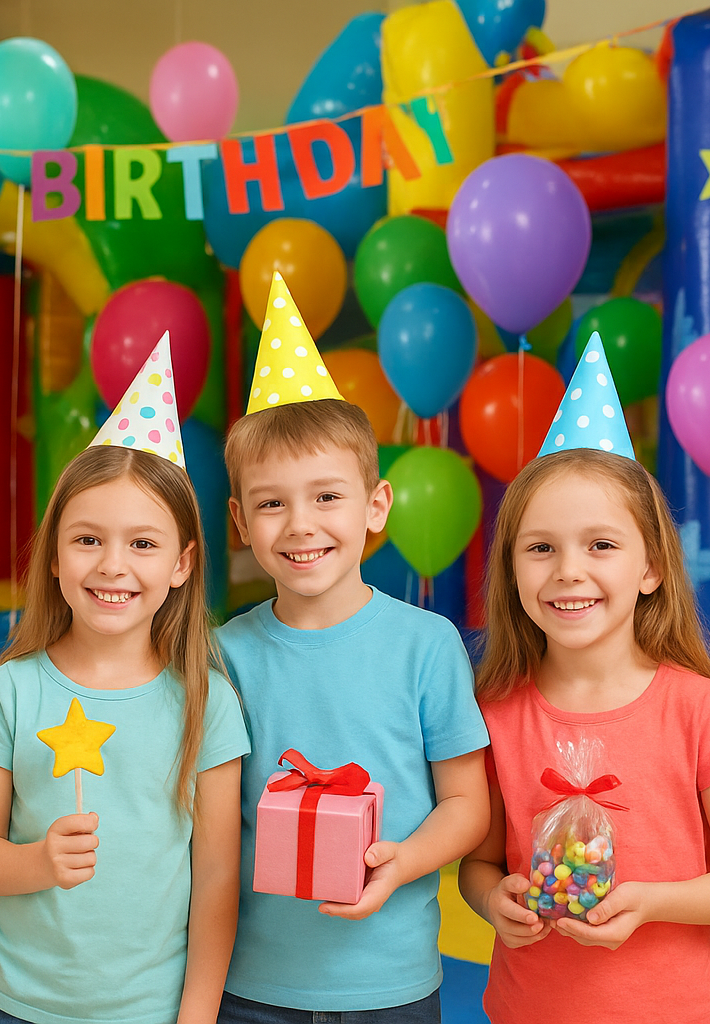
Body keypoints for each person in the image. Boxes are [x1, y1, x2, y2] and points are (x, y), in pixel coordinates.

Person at [459, 337, 710, 1024]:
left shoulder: (699, 709)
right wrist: (494, 901)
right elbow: (479, 866)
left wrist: (652, 902)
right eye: (540, 548)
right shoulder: (494, 713)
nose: (568, 571)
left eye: (601, 545)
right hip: (528, 1010)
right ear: (512, 573)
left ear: (651, 569)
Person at [217, 275, 489, 1023]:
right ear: (241, 522)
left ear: (376, 507)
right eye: (272, 503)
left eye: (327, 496)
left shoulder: (428, 645)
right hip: (249, 982)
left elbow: (467, 804)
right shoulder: (221, 654)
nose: (301, 524)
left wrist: (405, 859)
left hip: (391, 982)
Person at [0, 337, 248, 1024]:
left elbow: (216, 881)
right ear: (54, 556)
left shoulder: (208, 702)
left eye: (142, 544)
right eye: (88, 539)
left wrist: (197, 1014)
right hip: (17, 1006)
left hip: (150, 1011)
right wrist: (38, 864)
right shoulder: (9, 691)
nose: (112, 565)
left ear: (182, 563)